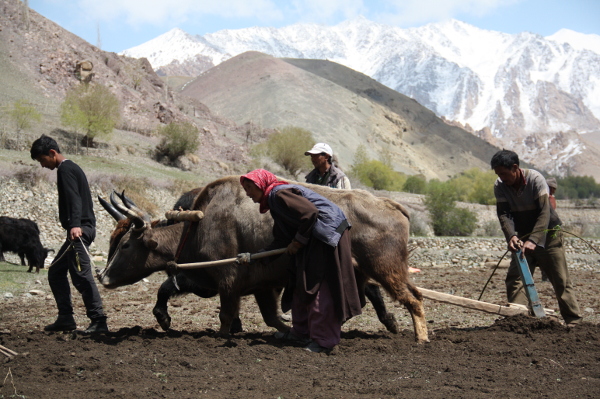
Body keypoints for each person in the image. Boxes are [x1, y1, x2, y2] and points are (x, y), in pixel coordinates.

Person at [239, 169, 362, 353]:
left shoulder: (280, 194)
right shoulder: (275, 200)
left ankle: (324, 341)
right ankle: (301, 332)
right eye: (245, 189)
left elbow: (310, 213)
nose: (248, 193)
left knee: (319, 286)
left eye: (250, 187)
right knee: (300, 282)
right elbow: (281, 239)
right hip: (315, 235)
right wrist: (256, 257)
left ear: (262, 184)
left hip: (327, 234)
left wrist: (298, 241)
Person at [491, 150, 582, 327]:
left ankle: (574, 321)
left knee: (560, 279)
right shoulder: (500, 185)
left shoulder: (536, 179)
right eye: (498, 174)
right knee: (515, 278)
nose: (501, 178)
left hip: (548, 235)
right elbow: (503, 213)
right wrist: (512, 236)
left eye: (503, 173)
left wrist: (534, 240)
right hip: (522, 236)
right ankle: (518, 320)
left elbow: (544, 212)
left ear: (515, 168)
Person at [30, 135, 108, 333]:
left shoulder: (65, 169)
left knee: (82, 275)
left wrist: (74, 225)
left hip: (79, 231)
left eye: (42, 160)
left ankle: (99, 321)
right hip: (79, 230)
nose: (42, 165)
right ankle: (65, 318)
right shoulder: (70, 168)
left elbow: (74, 200)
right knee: (56, 272)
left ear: (52, 153)